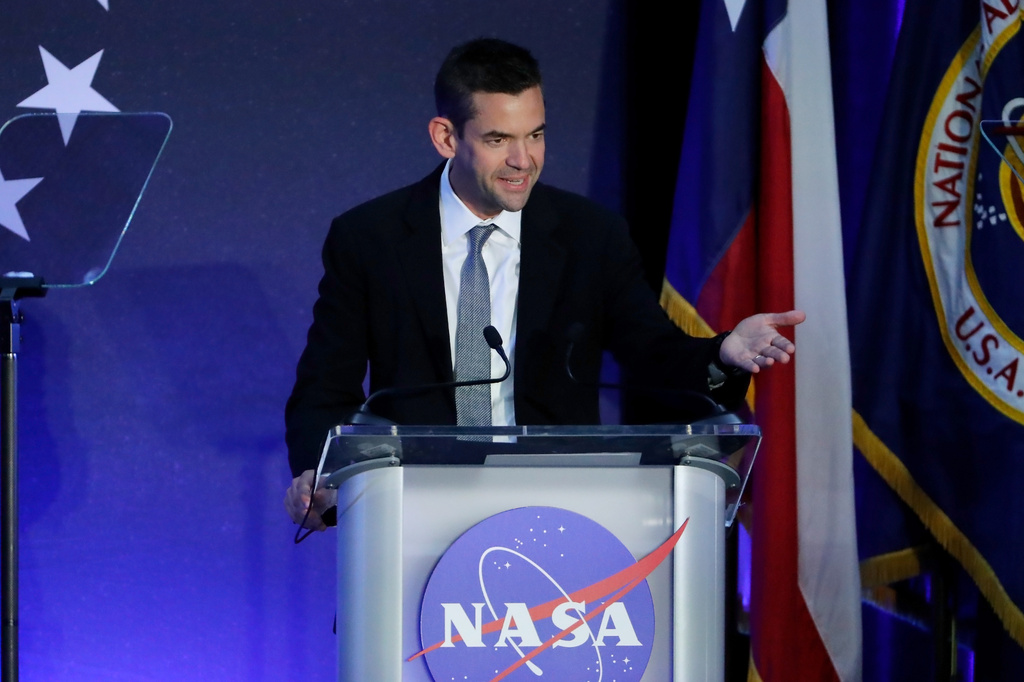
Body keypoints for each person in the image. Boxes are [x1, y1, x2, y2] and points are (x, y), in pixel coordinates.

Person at [283, 38, 804, 530]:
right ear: (446, 138)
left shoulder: (590, 236)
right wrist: (317, 476)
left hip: (558, 508)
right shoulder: (370, 239)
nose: (523, 160)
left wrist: (722, 354)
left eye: (535, 134)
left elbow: (652, 352)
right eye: (498, 139)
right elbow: (326, 386)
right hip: (413, 508)